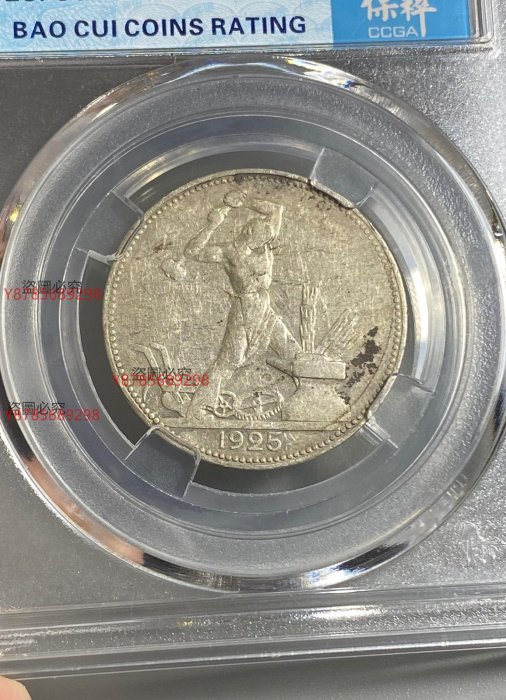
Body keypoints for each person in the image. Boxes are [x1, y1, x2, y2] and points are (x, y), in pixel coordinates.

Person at [184, 188, 300, 419]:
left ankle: (304, 403)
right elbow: (192, 251)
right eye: (261, 238)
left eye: (266, 239)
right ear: (248, 232)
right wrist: (214, 222)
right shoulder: (228, 252)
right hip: (244, 309)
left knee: (293, 352)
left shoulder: (265, 239)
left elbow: (276, 209)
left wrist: (244, 201)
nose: (265, 242)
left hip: (264, 308)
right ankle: (198, 407)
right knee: (230, 360)